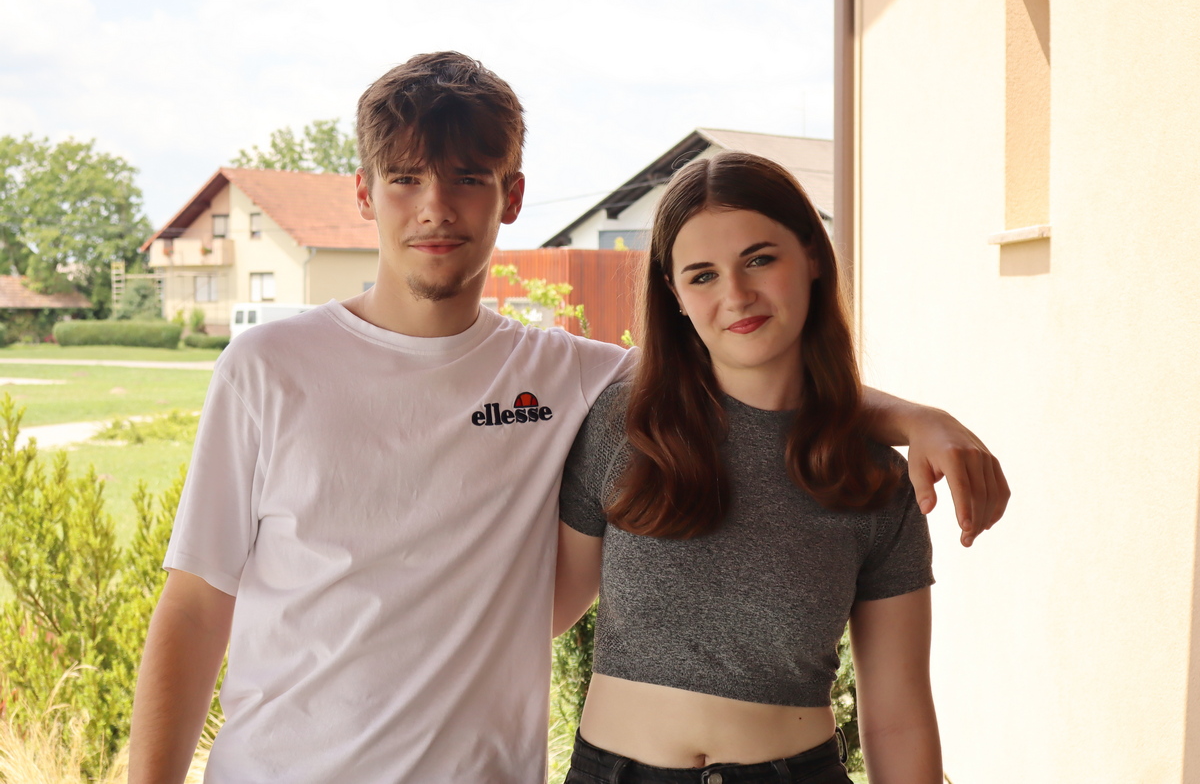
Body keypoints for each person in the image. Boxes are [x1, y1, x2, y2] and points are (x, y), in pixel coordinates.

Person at [128, 53, 1007, 784]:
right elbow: (196, 608)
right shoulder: (268, 367)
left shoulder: (571, 378)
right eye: (404, 179)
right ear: (364, 193)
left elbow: (747, 362)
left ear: (511, 195)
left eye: (468, 178)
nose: (435, 207)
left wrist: (913, 418)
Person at [555, 151, 992, 783]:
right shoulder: (624, 425)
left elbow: (898, 717)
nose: (736, 295)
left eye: (759, 259)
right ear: (674, 294)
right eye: (703, 275)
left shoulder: (873, 479)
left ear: (812, 256)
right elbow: (544, 610)